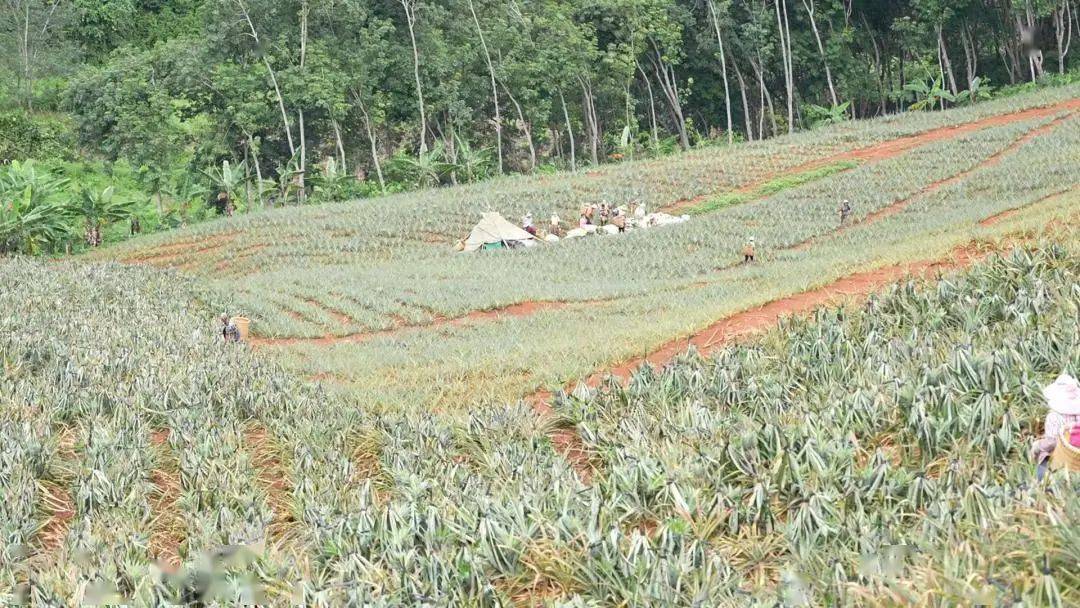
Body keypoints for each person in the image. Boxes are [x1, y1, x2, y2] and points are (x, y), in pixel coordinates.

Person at [1030, 373, 1080, 480]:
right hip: (1077, 455)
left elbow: (1052, 443)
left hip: (1063, 457)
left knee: (1042, 467)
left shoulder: (1054, 416)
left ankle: (1040, 483)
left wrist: (1037, 446)